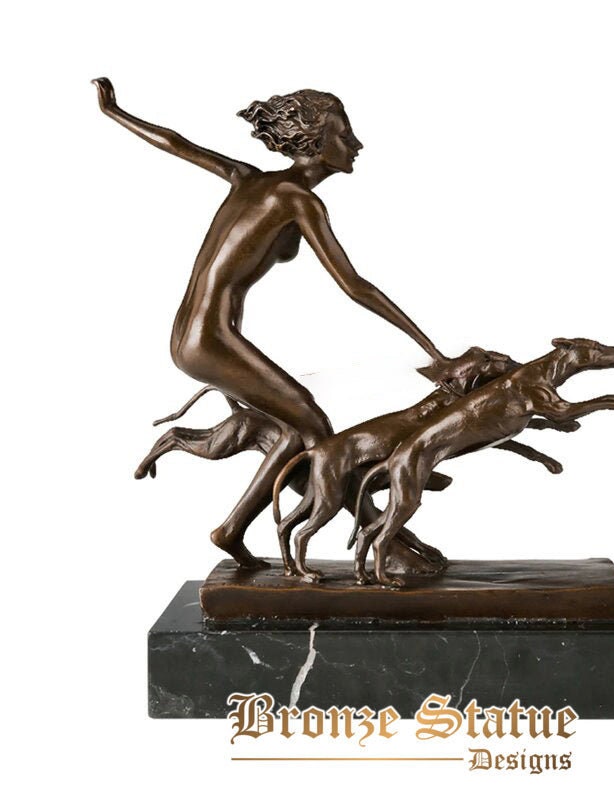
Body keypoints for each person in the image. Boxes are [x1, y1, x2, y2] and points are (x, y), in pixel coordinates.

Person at [93, 78, 453, 568]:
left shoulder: (248, 177)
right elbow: (355, 286)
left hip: (195, 336)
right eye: (344, 135)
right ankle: (380, 538)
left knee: (294, 433)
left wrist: (115, 112)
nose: (356, 144)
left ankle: (236, 530)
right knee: (314, 425)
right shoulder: (298, 200)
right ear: (314, 142)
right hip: (210, 339)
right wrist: (433, 353)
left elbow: (178, 144)